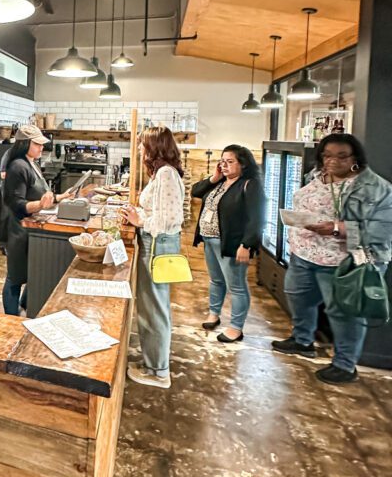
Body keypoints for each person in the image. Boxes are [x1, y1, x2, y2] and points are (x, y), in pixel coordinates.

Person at [272, 134, 392, 384]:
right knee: (298, 297)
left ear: (355, 158)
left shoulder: (375, 188)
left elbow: (382, 231)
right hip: (304, 253)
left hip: (342, 262)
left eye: (341, 156)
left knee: (344, 313)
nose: (332, 161)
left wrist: (337, 228)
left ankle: (345, 365)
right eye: (327, 155)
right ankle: (302, 340)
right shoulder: (315, 175)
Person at [121, 126, 185, 388]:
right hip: (156, 243)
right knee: (152, 306)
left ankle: (158, 371)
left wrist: (139, 220)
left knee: (154, 309)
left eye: (142, 144)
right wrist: (139, 214)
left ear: (154, 147)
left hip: (158, 245)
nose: (139, 149)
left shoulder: (166, 174)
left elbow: (166, 221)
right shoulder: (162, 173)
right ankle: (153, 363)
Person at [191, 145, 265, 344]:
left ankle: (236, 327)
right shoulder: (220, 182)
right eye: (222, 161)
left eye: (230, 162)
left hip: (232, 244)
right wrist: (214, 177)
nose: (224, 165)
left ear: (243, 164)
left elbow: (257, 218)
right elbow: (196, 191)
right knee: (216, 280)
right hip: (209, 240)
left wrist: (246, 244)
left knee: (237, 286)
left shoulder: (249, 185)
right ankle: (214, 314)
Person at [1, 125, 72, 315]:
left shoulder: (32, 163)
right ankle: (10, 319)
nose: (42, 147)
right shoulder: (18, 166)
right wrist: (40, 205)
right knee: (15, 277)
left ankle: (25, 305)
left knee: (32, 272)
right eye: (37, 144)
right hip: (18, 229)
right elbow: (17, 204)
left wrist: (61, 197)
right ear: (24, 144)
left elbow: (42, 195)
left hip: (32, 229)